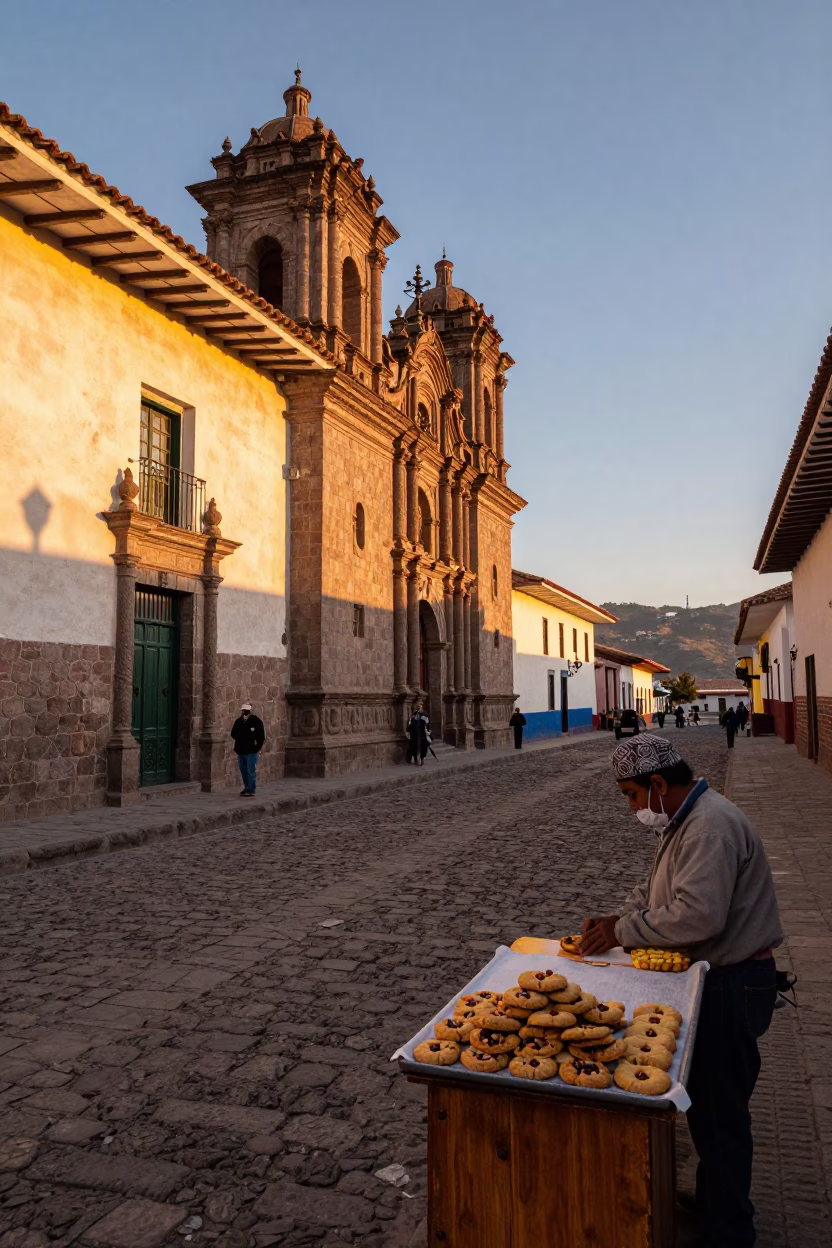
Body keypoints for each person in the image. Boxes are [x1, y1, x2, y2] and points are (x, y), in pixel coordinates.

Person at [581, 736, 782, 1248]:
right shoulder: (682, 822)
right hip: (716, 979)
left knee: (721, 1115)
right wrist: (617, 919)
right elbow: (653, 893)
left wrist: (625, 932)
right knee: (708, 1109)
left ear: (657, 784)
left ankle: (730, 1230)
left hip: (733, 984)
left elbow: (699, 915)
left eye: (630, 796)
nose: (631, 808)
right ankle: (715, 1201)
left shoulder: (710, 826)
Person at [230, 701, 265, 796]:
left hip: (251, 751)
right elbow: (233, 733)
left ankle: (251, 789)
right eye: (243, 710)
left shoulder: (256, 722)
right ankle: (246, 787)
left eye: (246, 710)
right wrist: (240, 740)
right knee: (243, 771)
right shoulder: (238, 721)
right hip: (241, 751)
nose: (245, 712)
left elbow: (261, 737)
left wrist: (256, 747)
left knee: (251, 771)